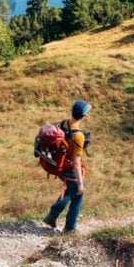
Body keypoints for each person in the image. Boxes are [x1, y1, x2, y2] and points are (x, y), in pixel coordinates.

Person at [42, 99, 91, 233]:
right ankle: (70, 228)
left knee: (69, 191)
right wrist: (80, 182)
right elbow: (76, 161)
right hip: (71, 170)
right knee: (77, 198)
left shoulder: (64, 123)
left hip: (61, 167)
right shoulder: (79, 136)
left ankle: (52, 216)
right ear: (84, 115)